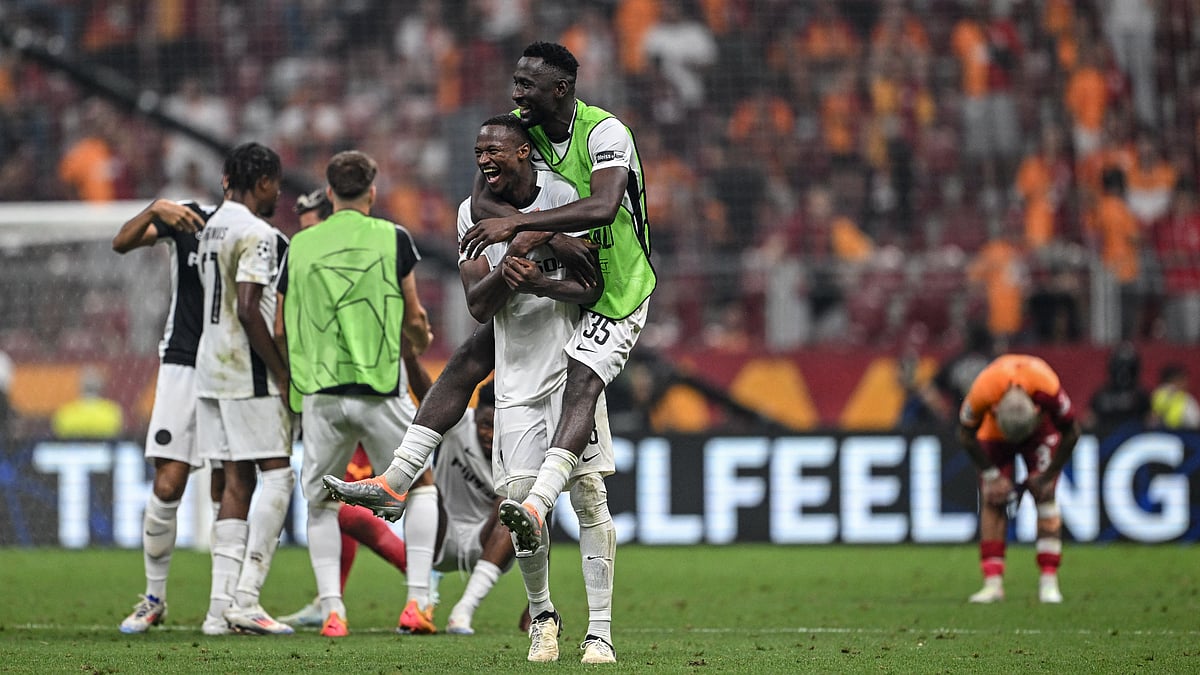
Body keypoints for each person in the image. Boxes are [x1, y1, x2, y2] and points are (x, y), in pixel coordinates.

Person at [325, 110, 615, 663]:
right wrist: (511, 275)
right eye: (478, 152)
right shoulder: (469, 214)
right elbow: (477, 303)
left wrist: (541, 275)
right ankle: (545, 618)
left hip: (573, 361)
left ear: (525, 152)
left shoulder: (567, 197)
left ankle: (599, 631)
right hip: (515, 372)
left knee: (589, 497)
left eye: (494, 150)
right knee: (518, 506)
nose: (483, 159)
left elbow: (593, 285)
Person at [458, 43, 655, 664]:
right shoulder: (528, 142)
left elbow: (602, 208)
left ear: (562, 88)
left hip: (619, 293)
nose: (516, 92)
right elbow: (483, 198)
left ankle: (600, 631)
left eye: (527, 83)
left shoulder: (605, 134)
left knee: (586, 482)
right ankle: (544, 617)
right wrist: (518, 236)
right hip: (545, 331)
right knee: (514, 492)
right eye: (515, 81)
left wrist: (526, 231)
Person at [276, 150, 432, 637]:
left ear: (328, 194)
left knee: (321, 502)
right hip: (379, 388)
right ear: (372, 191)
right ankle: (418, 604)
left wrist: (293, 379)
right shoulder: (393, 237)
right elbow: (414, 316)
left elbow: (279, 327)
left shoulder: (299, 245)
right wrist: (420, 340)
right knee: (421, 484)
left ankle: (332, 611)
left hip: (320, 394)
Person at [196, 141, 295, 636]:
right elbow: (247, 305)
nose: (278, 193)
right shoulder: (257, 232)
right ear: (261, 183)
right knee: (279, 475)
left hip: (209, 368)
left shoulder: (211, 227)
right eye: (275, 183)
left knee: (237, 481)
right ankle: (248, 597)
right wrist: (279, 371)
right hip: (247, 369)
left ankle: (219, 611)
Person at [111, 196, 217, 634]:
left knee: (232, 484)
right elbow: (122, 242)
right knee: (169, 481)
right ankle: (154, 598)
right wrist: (155, 209)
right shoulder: (191, 217)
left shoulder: (263, 234)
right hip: (183, 364)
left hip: (237, 368)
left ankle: (234, 601)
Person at [957, 354, 1081, 605]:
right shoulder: (983, 391)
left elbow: (1072, 432)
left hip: (1039, 433)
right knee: (993, 498)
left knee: (1045, 496)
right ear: (994, 410)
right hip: (994, 434)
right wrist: (992, 475)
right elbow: (966, 435)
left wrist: (1048, 475)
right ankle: (992, 585)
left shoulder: (1048, 387)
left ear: (1037, 411)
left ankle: (1049, 582)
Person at [1085, 342, 1151, 432]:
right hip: (1106, 439)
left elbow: (1150, 421)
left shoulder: (1141, 395)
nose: (1123, 372)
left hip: (1132, 440)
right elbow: (1089, 420)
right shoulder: (1101, 395)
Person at [50, 366, 124, 439]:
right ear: (101, 387)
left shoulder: (65, 414)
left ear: (79, 387)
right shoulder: (112, 413)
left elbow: (58, 442)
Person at [1149, 364, 1200, 430]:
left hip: (1180, 431)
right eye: (1183, 380)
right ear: (1174, 379)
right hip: (1178, 433)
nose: (1186, 383)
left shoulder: (1186, 397)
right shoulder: (1161, 393)